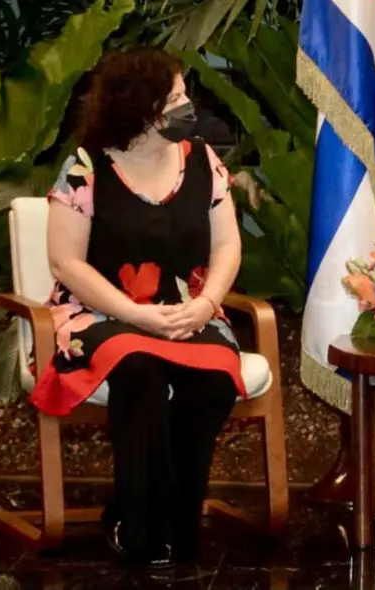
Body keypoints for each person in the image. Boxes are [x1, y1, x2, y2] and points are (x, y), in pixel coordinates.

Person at [31, 46, 245, 568]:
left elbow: (227, 246)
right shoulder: (86, 168)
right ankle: (137, 521)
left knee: (214, 380)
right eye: (174, 97)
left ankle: (178, 518)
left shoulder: (203, 160)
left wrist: (207, 303)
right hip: (99, 314)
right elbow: (65, 263)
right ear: (142, 108)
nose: (187, 105)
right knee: (141, 369)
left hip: (186, 310)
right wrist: (136, 315)